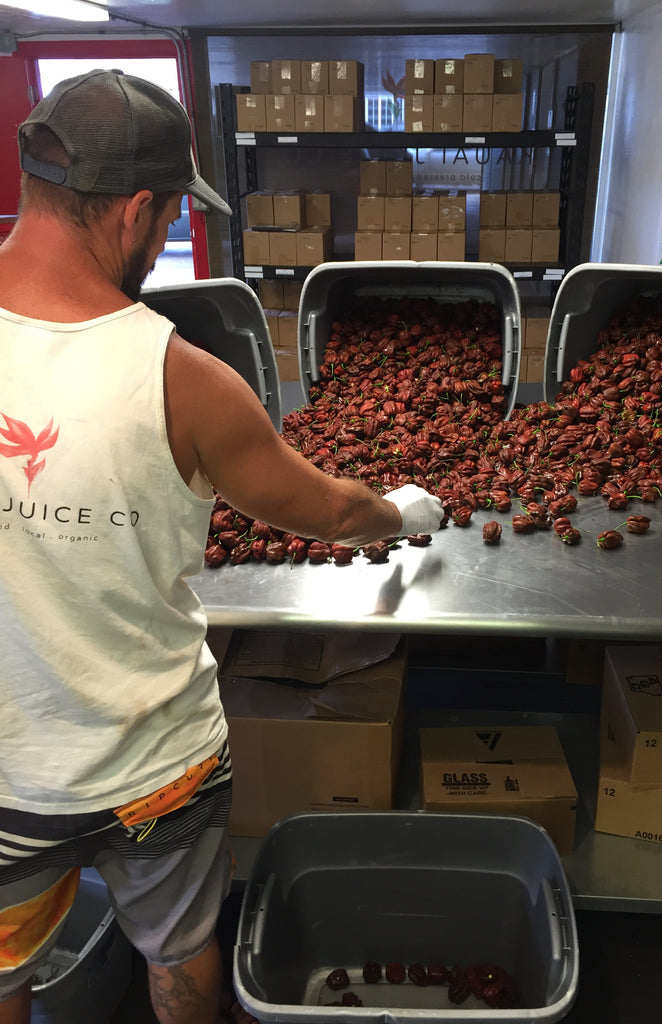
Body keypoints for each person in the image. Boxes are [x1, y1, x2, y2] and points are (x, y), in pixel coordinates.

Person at [0, 69, 444, 1024]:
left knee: (5, 973)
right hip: (158, 766)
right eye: (166, 220)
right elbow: (329, 512)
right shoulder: (183, 378)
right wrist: (404, 513)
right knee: (184, 951)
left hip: (5, 774)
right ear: (134, 210)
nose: (162, 241)